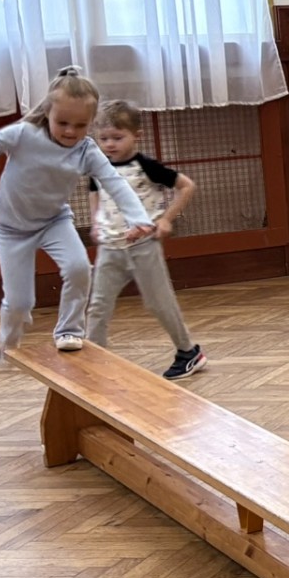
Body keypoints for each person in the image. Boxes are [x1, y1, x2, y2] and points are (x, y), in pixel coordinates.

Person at [0, 67, 154, 362]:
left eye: (80, 125)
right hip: (12, 228)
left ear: (91, 123)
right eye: (63, 123)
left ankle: (69, 330)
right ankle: (8, 340)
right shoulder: (23, 135)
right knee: (19, 303)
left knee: (79, 268)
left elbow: (114, 183)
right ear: (47, 112)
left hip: (54, 221)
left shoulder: (86, 150)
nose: (70, 132)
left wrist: (139, 218)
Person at [84, 100, 206, 379]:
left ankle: (188, 351)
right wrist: (95, 222)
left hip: (143, 247)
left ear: (136, 135)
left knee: (159, 302)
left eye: (117, 137)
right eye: (103, 139)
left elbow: (186, 186)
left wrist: (166, 219)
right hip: (110, 248)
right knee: (98, 304)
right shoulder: (98, 167)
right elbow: (94, 191)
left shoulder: (146, 166)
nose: (110, 144)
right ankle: (93, 359)